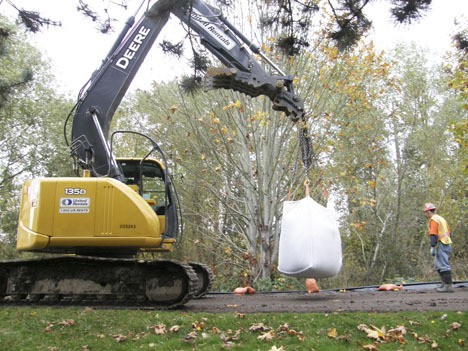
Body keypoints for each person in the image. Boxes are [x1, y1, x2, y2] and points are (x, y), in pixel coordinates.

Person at [423, 203, 453, 292]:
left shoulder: (434, 220)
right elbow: (449, 232)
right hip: (446, 243)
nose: (425, 214)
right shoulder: (441, 219)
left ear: (428, 211)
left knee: (443, 265)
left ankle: (448, 286)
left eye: (425, 212)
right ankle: (444, 284)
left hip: (441, 244)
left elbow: (433, 235)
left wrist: (432, 246)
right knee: (438, 265)